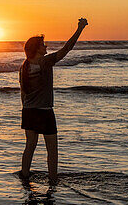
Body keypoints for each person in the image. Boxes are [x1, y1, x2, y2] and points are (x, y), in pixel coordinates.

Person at [19, 17, 88, 184]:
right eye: (43, 45)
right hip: (44, 112)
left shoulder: (24, 66)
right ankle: (53, 181)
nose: (46, 47)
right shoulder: (44, 62)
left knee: (30, 146)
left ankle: (25, 176)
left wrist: (27, 109)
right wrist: (80, 29)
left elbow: (22, 94)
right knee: (52, 150)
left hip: (28, 112)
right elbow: (67, 49)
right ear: (37, 49)